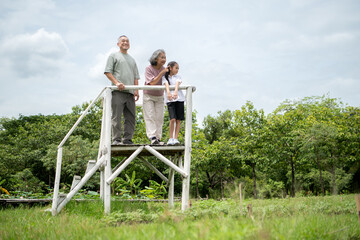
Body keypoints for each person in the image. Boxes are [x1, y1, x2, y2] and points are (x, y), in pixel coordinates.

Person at [104, 35, 140, 145]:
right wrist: (117, 83)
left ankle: (127, 139)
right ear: (118, 44)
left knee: (130, 117)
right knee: (116, 116)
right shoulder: (114, 56)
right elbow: (107, 72)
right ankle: (116, 139)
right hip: (117, 92)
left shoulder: (132, 59)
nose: (125, 42)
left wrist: (136, 90)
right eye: (123, 41)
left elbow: (136, 77)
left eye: (127, 41)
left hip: (130, 93)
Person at [143, 49, 168, 144]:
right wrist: (162, 73)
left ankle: (158, 138)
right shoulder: (149, 68)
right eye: (162, 57)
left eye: (165, 57)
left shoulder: (165, 69)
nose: (164, 59)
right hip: (149, 95)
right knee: (150, 115)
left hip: (159, 96)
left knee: (159, 117)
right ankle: (152, 137)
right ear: (156, 58)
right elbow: (152, 83)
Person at [162, 61, 185, 145]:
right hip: (170, 100)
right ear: (170, 68)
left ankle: (176, 138)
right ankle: (170, 138)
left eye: (178, 68)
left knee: (178, 120)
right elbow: (166, 85)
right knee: (172, 119)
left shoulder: (178, 76)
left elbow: (177, 84)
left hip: (179, 99)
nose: (177, 70)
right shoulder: (165, 77)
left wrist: (175, 92)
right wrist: (168, 93)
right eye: (176, 68)